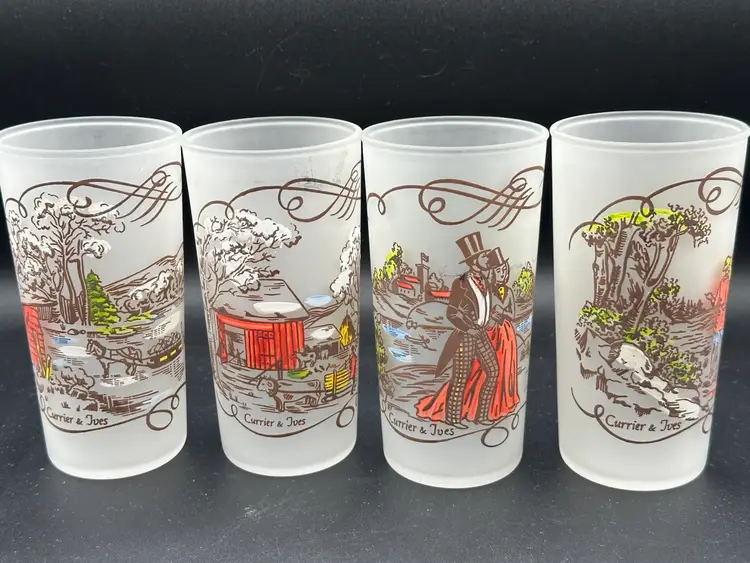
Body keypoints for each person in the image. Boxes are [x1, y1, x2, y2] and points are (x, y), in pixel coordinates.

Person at [415, 232, 519, 427]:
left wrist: (493, 317)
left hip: (480, 333)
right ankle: (453, 419)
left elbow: (490, 304)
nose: (487, 258)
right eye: (483, 256)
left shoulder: (486, 281)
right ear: (474, 260)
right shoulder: (460, 284)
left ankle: (482, 415)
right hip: (465, 335)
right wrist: (468, 329)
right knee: (460, 377)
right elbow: (452, 313)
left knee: (493, 371)